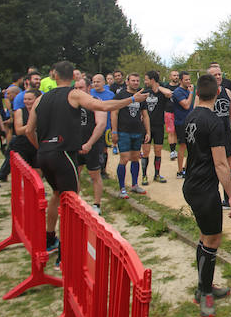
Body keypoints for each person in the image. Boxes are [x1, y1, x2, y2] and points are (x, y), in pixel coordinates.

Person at [26, 62, 146, 262]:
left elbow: (29, 130)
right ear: (73, 77)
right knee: (70, 202)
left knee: (56, 195)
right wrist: (133, 98)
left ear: (54, 76)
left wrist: (41, 148)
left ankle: (49, 239)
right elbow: (104, 106)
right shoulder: (73, 94)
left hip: (44, 154)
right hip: (64, 154)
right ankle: (64, 254)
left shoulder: (41, 99)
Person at [181, 73, 231, 317]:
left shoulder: (191, 117)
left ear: (197, 93)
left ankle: (204, 287)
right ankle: (204, 294)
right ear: (218, 93)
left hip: (191, 184)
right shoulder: (214, 121)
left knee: (206, 237)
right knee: (213, 240)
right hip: (204, 189)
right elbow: (221, 164)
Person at [201, 64, 231, 209]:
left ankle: (227, 199)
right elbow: (196, 112)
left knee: (227, 167)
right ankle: (212, 199)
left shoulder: (227, 91)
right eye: (215, 75)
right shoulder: (204, 93)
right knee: (213, 168)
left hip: (225, 133)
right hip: (210, 135)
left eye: (219, 74)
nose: (218, 77)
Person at [111, 73, 150, 198]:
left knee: (135, 157)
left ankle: (134, 185)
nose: (135, 83)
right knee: (124, 158)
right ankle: (122, 188)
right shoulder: (120, 95)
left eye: (137, 81)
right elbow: (114, 113)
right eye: (133, 80)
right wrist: (114, 131)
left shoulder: (140, 96)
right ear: (127, 82)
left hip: (137, 131)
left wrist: (148, 131)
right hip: (123, 131)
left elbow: (145, 115)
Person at [73, 78, 107, 213]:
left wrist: (89, 143)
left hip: (92, 144)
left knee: (95, 175)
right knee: (75, 174)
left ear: (88, 88)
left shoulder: (96, 102)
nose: (77, 91)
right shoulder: (72, 104)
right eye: (75, 88)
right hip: (76, 144)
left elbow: (101, 124)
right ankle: (76, 201)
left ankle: (97, 204)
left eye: (80, 88)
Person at [140, 70, 173, 185]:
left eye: (146, 79)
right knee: (146, 151)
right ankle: (144, 176)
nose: (145, 82)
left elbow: (169, 93)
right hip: (146, 126)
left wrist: (158, 88)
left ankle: (157, 174)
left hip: (159, 125)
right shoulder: (145, 91)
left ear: (152, 80)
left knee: (158, 151)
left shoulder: (161, 92)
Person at [8, 89, 40, 173]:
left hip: (37, 144)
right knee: (23, 172)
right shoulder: (20, 111)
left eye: (29, 99)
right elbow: (18, 130)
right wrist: (33, 124)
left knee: (38, 172)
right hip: (22, 145)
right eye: (25, 99)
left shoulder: (42, 111)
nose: (26, 101)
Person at [89, 74, 115, 179]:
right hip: (92, 126)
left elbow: (114, 111)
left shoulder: (110, 95)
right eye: (94, 82)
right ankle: (93, 170)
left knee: (104, 149)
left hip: (106, 126)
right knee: (93, 148)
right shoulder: (89, 93)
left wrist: (114, 128)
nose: (96, 84)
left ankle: (103, 170)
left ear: (104, 83)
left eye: (98, 81)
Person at [173, 71, 195, 178]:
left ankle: (187, 168)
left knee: (192, 147)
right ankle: (179, 170)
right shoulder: (178, 92)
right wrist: (191, 93)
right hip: (181, 122)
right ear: (181, 80)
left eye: (189, 79)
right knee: (183, 145)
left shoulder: (189, 91)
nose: (188, 82)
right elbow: (186, 105)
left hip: (191, 122)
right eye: (186, 80)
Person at [164, 70, 180, 160]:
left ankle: (178, 150)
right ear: (170, 77)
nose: (176, 77)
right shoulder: (166, 87)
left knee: (178, 132)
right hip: (169, 111)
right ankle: (172, 151)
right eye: (174, 75)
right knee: (171, 132)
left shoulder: (181, 87)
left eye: (177, 75)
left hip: (179, 112)